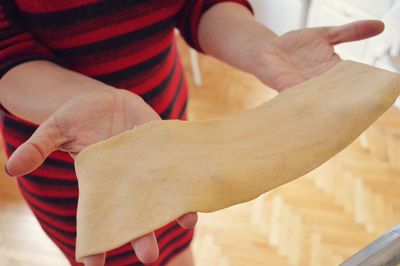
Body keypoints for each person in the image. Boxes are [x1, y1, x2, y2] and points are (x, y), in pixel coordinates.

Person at [0, 0, 384, 265]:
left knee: (177, 245)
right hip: (69, 155)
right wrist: (88, 100)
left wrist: (260, 47)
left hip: (162, 122)